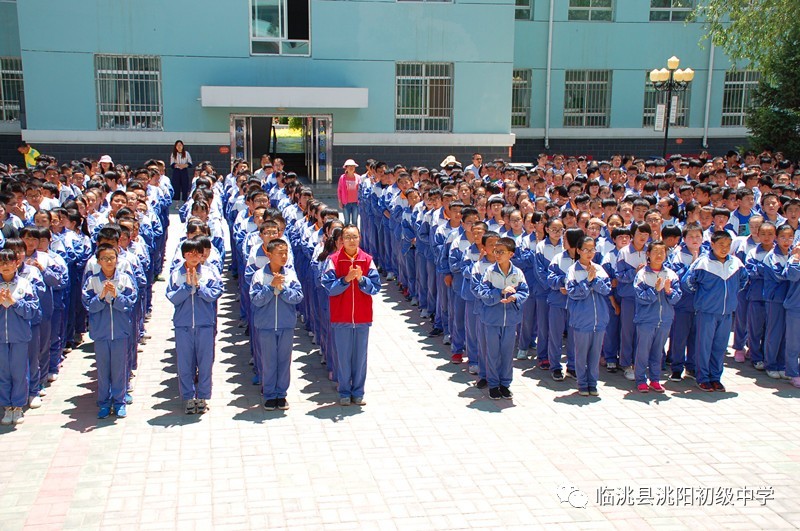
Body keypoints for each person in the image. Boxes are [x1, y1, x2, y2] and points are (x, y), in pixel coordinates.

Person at [321, 225, 381, 406]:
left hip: (362, 317)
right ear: (341, 240)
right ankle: (344, 391)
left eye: (354, 237)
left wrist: (362, 279)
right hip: (341, 316)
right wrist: (345, 280)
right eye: (347, 237)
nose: (351, 240)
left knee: (360, 357)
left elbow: (376, 287)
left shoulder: (367, 260)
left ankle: (358, 391)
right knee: (343, 356)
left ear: (360, 238)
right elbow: (329, 287)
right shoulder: (333, 260)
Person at [683, 231, 748, 392]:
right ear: (712, 244)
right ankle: (703, 377)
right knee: (704, 346)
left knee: (719, 347)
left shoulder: (736, 263)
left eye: (727, 245)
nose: (724, 248)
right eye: (720, 245)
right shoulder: (702, 263)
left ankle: (715, 377)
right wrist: (704, 299)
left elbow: (743, 281)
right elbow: (688, 283)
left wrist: (730, 296)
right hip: (707, 313)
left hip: (726, 314)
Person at [166, 239, 224, 415]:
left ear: (202, 255)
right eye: (190, 253)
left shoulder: (209, 272)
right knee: (185, 363)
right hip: (183, 325)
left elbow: (216, 292)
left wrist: (199, 287)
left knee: (205, 363)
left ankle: (203, 397)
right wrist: (186, 287)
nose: (194, 256)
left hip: (205, 324)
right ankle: (189, 397)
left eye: (197, 253)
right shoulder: (177, 273)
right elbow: (172, 296)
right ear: (184, 254)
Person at [82, 244, 138, 419]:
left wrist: (116, 297)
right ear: (98, 261)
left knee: (119, 369)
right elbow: (88, 305)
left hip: (120, 332)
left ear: (117, 260)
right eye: (104, 258)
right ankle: (104, 402)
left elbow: (130, 302)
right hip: (101, 332)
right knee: (103, 369)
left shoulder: (125, 279)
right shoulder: (92, 281)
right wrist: (100, 297)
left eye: (112, 258)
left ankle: (120, 401)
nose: (108, 262)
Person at [250, 239, 304, 411]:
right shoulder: (259, 275)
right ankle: (269, 394)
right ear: (269, 254)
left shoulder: (291, 274)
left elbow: (298, 297)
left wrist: (282, 290)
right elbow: (256, 300)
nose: (283, 256)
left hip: (285, 324)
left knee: (284, 360)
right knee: (268, 361)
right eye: (279, 253)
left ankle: (281, 394)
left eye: (286, 252)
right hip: (265, 326)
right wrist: (270, 288)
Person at [476, 236, 529, 399]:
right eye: (495, 251)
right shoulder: (490, 272)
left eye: (501, 252)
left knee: (507, 353)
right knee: (492, 353)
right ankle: (493, 384)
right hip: (492, 319)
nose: (497, 254)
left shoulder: (517, 273)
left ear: (511, 254)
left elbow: (524, 292)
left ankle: (505, 384)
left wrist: (515, 297)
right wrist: (499, 293)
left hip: (510, 320)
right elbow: (482, 292)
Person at [633, 240, 682, 393]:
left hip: (665, 319)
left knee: (658, 351)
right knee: (643, 351)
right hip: (646, 320)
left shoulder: (671, 274)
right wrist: (655, 290)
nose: (659, 255)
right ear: (648, 254)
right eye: (655, 252)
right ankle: (640, 379)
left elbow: (677, 297)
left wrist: (668, 291)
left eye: (662, 252)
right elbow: (640, 297)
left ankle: (655, 379)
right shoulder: (642, 274)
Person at [566, 236, 611, 397]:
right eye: (586, 249)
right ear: (578, 251)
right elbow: (573, 292)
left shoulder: (599, 268)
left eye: (592, 249)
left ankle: (593, 383)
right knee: (581, 353)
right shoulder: (573, 270)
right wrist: (587, 281)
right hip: (581, 320)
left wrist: (594, 280)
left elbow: (607, 290)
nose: (589, 253)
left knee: (595, 354)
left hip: (599, 320)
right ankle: (582, 383)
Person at [0, 248, 40, 426]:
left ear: (16, 264)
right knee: (3, 373)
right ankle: (6, 407)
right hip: (1, 337)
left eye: (9, 262)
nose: (5, 266)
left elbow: (33, 310)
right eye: (1, 263)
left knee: (19, 371)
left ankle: (17, 406)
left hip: (20, 335)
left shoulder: (24, 284)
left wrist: (14, 302)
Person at [337, 160, 360, 226]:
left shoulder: (358, 177)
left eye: (353, 166)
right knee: (346, 221)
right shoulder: (342, 178)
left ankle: (354, 234)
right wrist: (340, 201)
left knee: (355, 221)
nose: (351, 168)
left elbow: (360, 189)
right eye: (349, 166)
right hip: (346, 203)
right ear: (346, 168)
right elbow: (339, 190)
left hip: (355, 202)